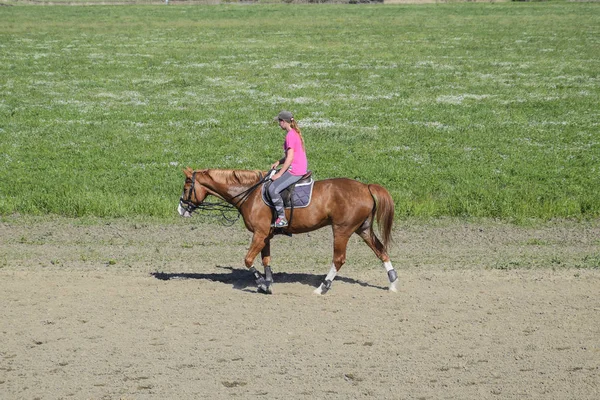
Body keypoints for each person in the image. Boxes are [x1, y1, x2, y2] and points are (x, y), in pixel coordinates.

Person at [268, 110, 308, 228]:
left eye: (279, 121)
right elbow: (289, 156)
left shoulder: (290, 135)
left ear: (284, 122)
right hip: (299, 167)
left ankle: (282, 218)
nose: (279, 124)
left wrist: (280, 174)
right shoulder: (294, 133)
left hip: (296, 170)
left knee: (272, 189)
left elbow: (290, 158)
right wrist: (279, 162)